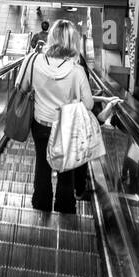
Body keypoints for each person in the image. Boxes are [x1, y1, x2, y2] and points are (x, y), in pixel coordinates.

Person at [29, 20, 94, 214]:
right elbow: (89, 104)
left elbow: (23, 87)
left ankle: (41, 203)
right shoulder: (77, 71)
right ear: (73, 42)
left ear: (51, 38)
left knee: (42, 164)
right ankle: (64, 206)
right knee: (66, 171)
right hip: (66, 127)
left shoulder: (35, 61)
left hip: (40, 124)